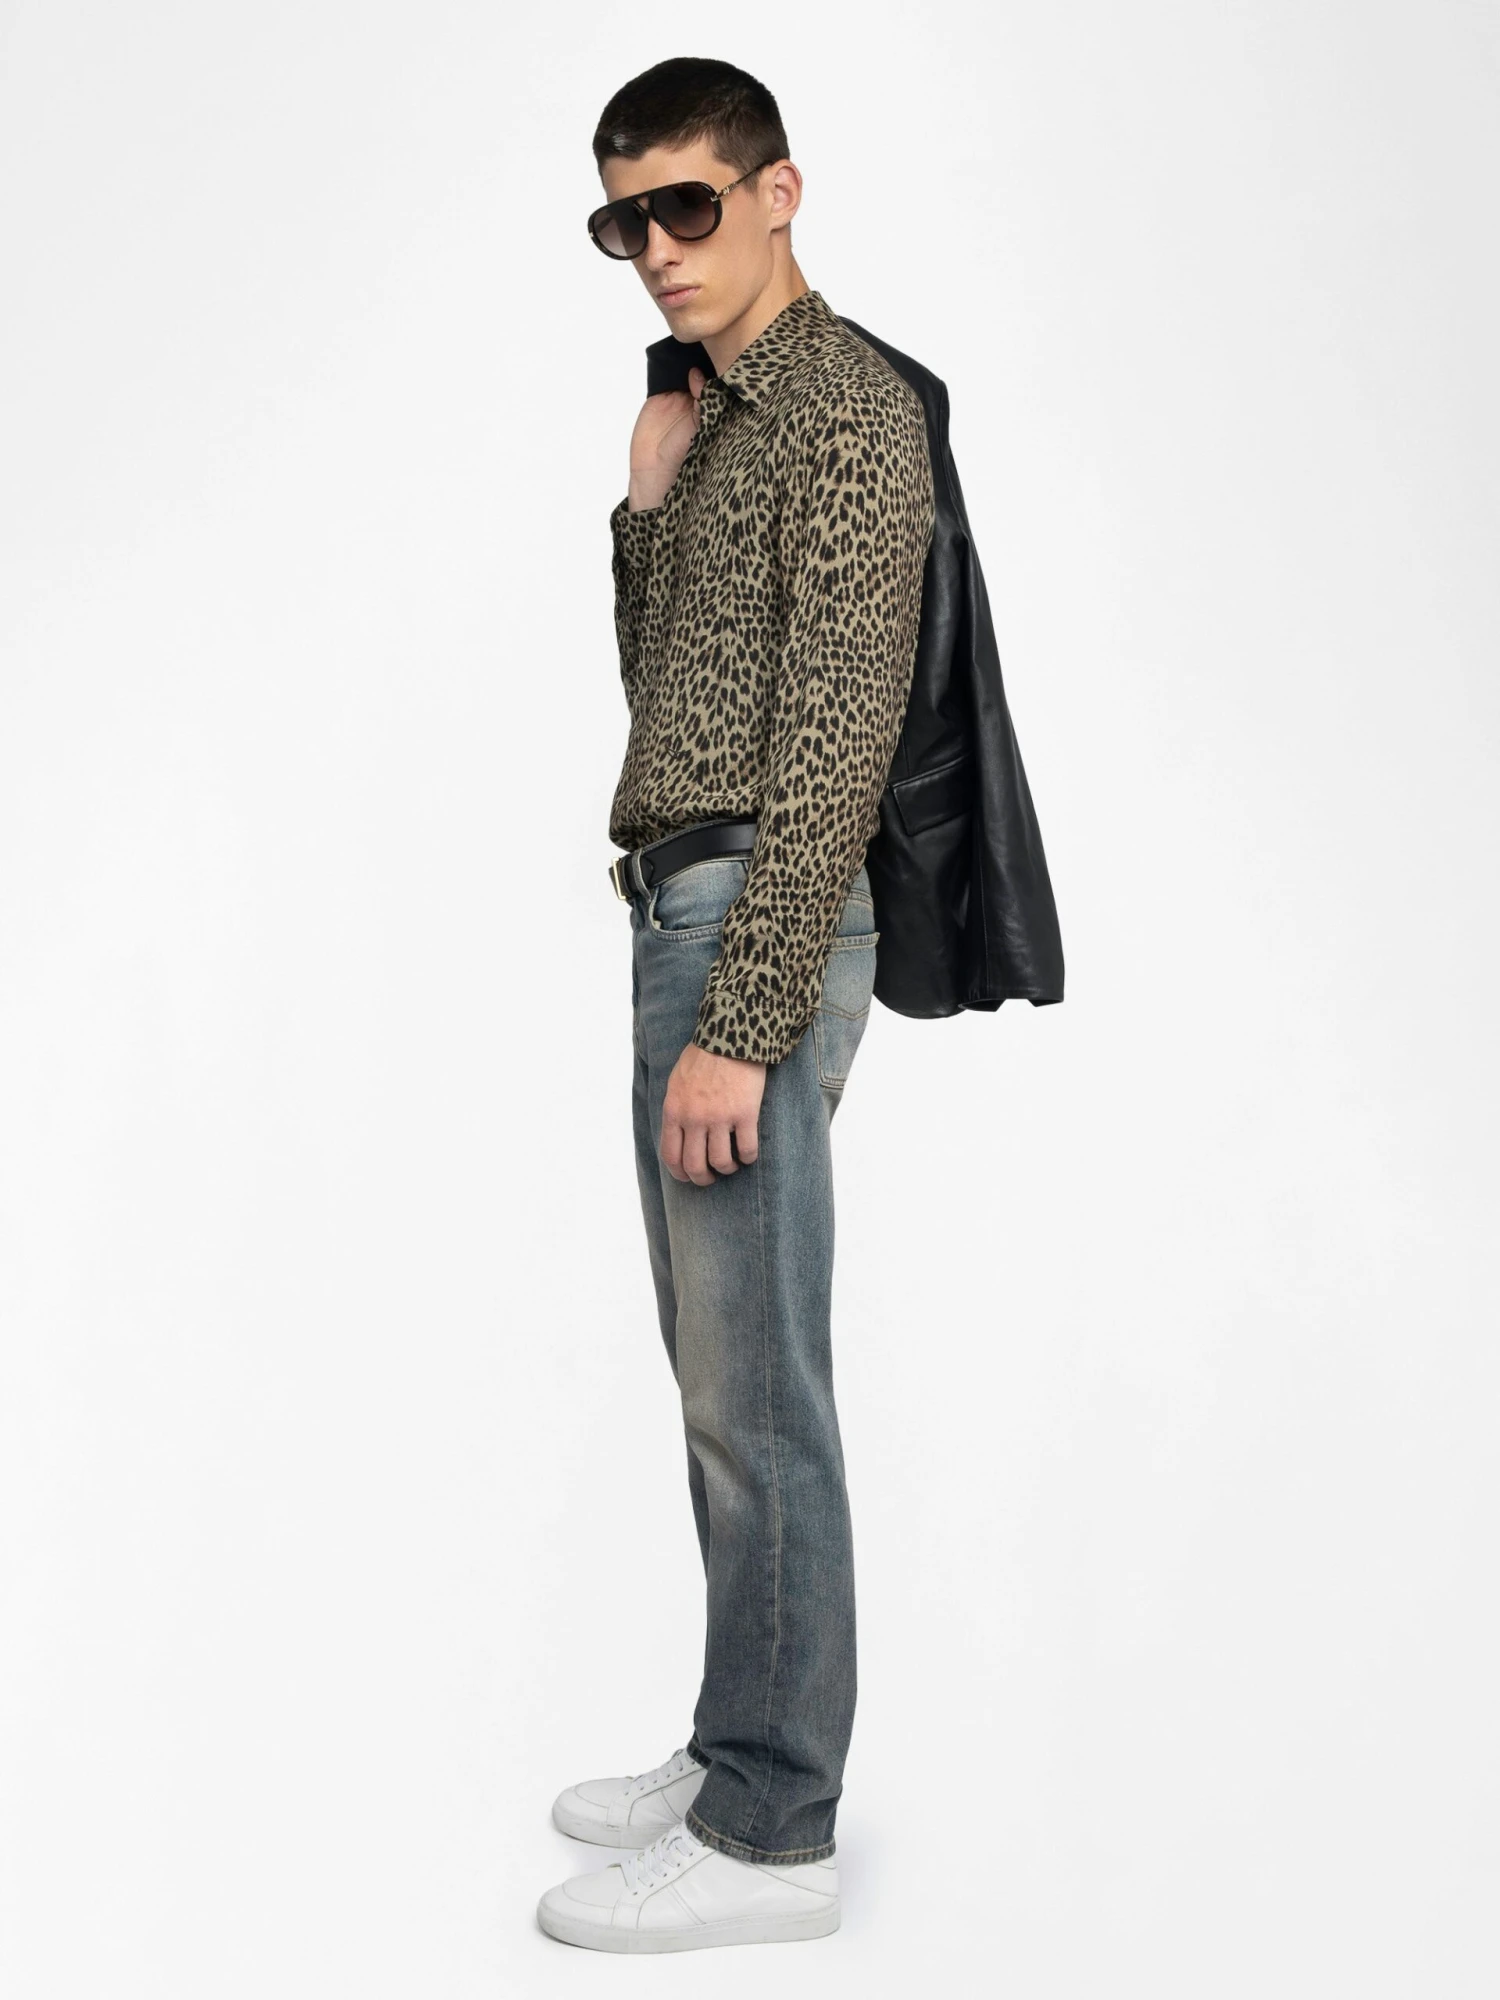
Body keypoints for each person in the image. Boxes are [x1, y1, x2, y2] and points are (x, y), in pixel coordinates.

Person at [536, 56, 936, 1954]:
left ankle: (775, 1831)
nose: (655, 249)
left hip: (752, 923)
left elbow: (838, 742)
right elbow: (675, 705)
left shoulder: (846, 410)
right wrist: (648, 508)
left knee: (758, 1387)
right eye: (624, 220)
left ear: (780, 191)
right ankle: (735, 1745)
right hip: (684, 904)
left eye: (686, 206)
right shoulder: (721, 419)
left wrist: (744, 1019)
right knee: (720, 1379)